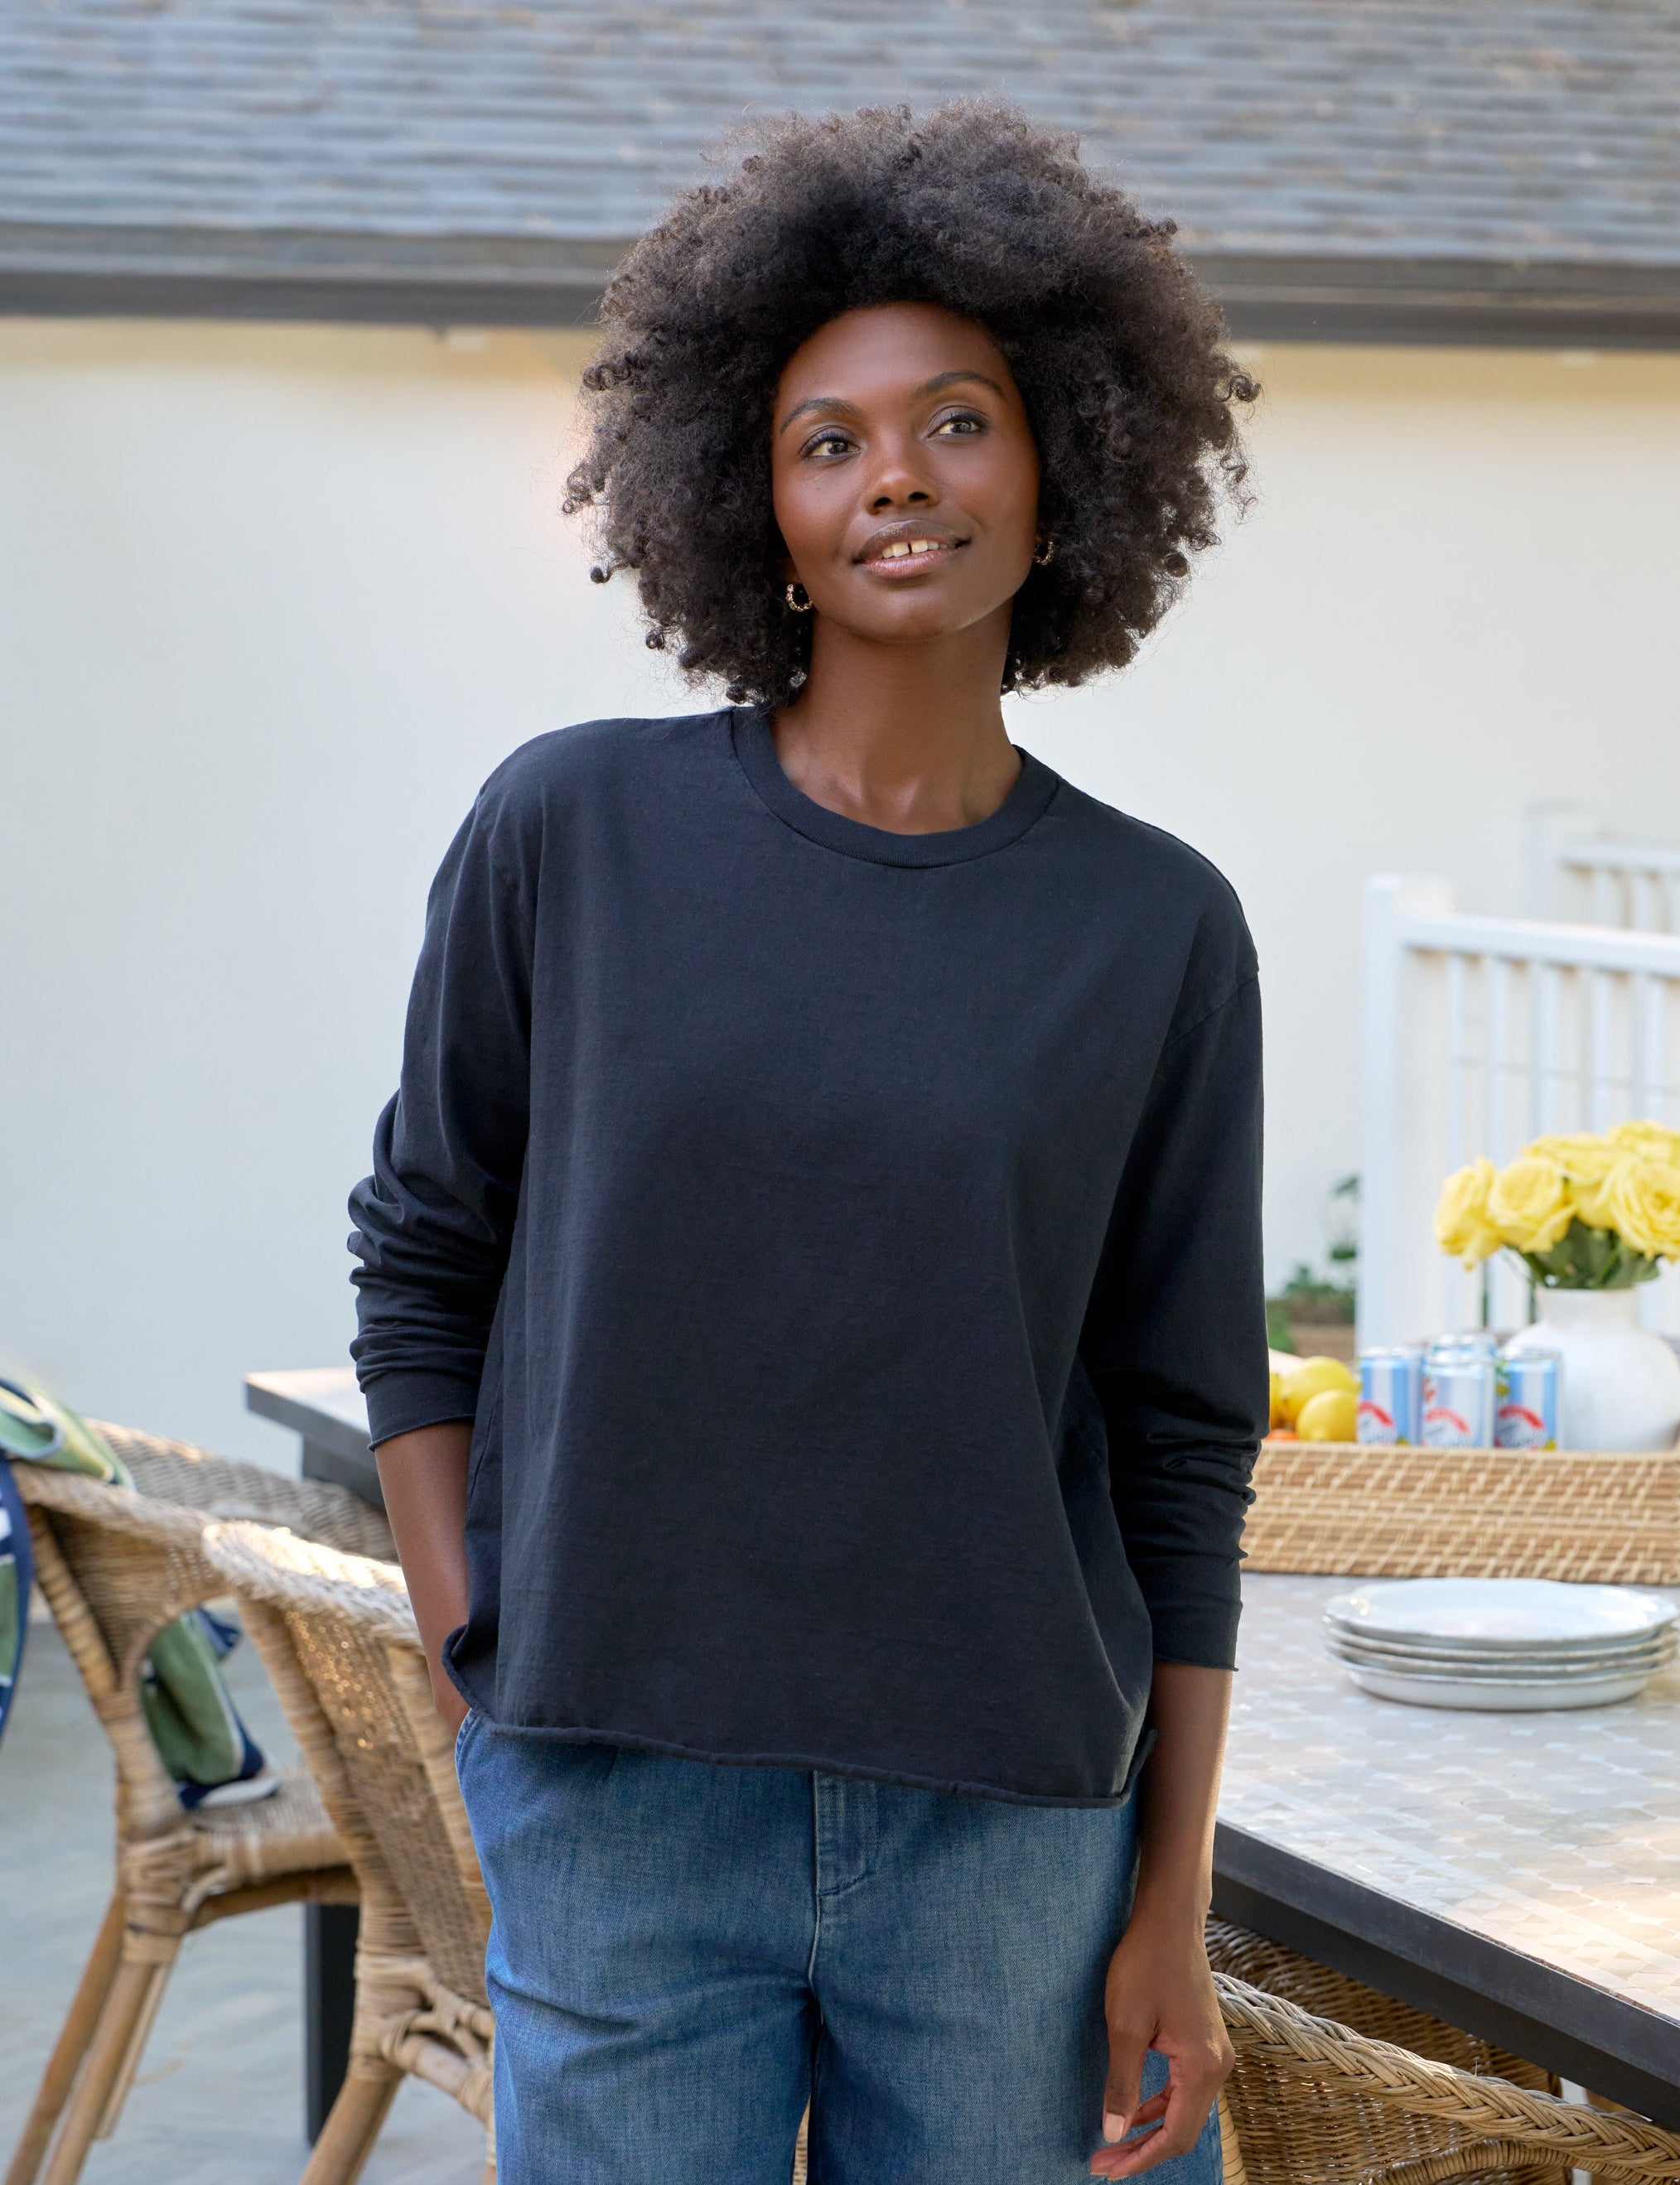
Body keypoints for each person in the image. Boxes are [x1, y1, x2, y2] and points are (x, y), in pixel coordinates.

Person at [349, 100, 1267, 2185]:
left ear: (1066, 468)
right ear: (755, 507)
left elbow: (1184, 1430)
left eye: (957, 422)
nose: (896, 478)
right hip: (621, 1794)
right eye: (827, 440)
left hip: (1010, 1832)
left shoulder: (1156, 928)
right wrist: (478, 1646)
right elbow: (426, 1250)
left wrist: (1174, 1894)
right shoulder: (571, 828)